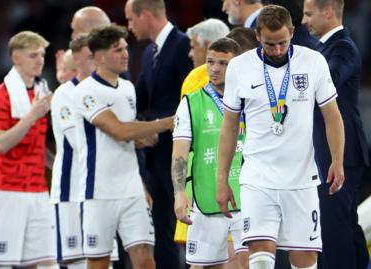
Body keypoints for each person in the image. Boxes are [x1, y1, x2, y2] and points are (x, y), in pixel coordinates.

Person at [217, 5, 345, 269]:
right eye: (270, 44)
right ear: (257, 37)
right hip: (257, 180)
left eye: (283, 43)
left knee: (305, 261)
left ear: (293, 33)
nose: (277, 50)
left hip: (301, 180)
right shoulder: (239, 67)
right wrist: (222, 179)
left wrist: (338, 160)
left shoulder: (313, 62)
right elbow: (229, 126)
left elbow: (332, 115)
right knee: (260, 259)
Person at [72, 24, 174, 269]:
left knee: (145, 260)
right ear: (99, 57)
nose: (126, 54)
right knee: (99, 262)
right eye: (118, 49)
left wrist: (140, 182)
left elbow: (128, 136)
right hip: (99, 191)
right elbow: (118, 130)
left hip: (131, 189)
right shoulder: (86, 91)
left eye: (125, 48)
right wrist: (168, 123)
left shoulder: (128, 88)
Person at [124, 1, 193, 267]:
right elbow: (140, 100)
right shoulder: (152, 51)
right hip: (155, 159)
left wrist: (156, 129)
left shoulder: (182, 45)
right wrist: (142, 126)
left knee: (184, 233)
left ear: (146, 15)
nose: (129, 27)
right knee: (162, 237)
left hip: (177, 157)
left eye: (131, 19)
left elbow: (189, 100)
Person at [302, 1, 370, 268]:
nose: (304, 21)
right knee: (343, 227)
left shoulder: (342, 48)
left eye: (309, 14)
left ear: (328, 11)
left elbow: (325, 82)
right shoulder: (323, 48)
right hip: (332, 153)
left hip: (341, 155)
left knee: (334, 229)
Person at [0, 31, 55, 268]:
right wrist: (32, 115)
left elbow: (37, 144)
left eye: (42, 55)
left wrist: (57, 165)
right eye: (33, 55)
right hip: (7, 191)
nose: (40, 60)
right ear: (15, 58)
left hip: (38, 190)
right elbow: (1, 143)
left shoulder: (43, 93)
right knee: (2, 264)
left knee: (45, 264)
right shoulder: (0, 97)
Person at [172, 38, 248, 269]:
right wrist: (179, 193)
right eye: (210, 62)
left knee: (248, 264)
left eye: (223, 63)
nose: (214, 69)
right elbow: (179, 155)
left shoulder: (251, 99)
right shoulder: (191, 104)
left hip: (248, 197)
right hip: (207, 198)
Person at [50, 34, 94, 269]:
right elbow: (79, 142)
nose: (96, 60)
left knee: (100, 260)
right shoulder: (64, 94)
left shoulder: (105, 90)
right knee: (77, 263)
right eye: (90, 56)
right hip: (71, 189)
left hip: (97, 191)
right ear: (76, 60)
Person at [180, 18, 230, 99]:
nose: (190, 54)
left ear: (209, 47)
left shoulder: (194, 79)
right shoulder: (241, 75)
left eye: (193, 47)